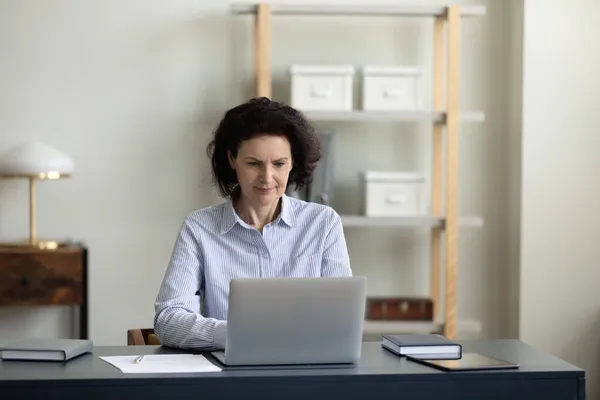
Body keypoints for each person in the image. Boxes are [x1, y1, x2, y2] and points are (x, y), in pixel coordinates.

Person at [153, 97, 352, 350]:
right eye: (254, 164)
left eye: (279, 164)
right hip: (227, 378)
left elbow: (342, 317)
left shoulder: (323, 223)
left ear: (293, 162)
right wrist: (238, 335)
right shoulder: (198, 228)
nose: (267, 178)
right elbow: (168, 319)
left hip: (304, 372)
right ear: (232, 159)